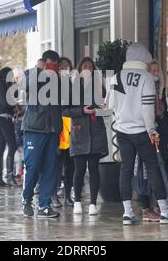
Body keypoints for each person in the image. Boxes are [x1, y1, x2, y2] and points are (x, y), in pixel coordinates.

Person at [107, 42, 168, 225]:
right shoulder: (146, 78)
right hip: (143, 132)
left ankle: (127, 213)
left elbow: (109, 105)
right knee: (153, 168)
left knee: (126, 169)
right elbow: (147, 108)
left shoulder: (117, 77)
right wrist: (152, 130)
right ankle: (165, 212)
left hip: (122, 131)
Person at [62, 57, 108, 216]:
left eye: (90, 66)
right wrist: (82, 111)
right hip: (79, 131)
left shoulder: (99, 87)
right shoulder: (72, 88)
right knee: (79, 169)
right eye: (85, 66)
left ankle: (93, 203)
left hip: (96, 132)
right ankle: (77, 202)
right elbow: (65, 110)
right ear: (80, 69)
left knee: (94, 168)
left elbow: (105, 106)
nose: (87, 69)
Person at [21, 50, 62, 218]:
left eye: (55, 65)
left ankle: (45, 205)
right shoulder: (31, 74)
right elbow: (26, 87)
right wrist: (38, 70)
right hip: (34, 129)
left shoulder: (58, 80)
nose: (53, 68)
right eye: (50, 64)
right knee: (33, 166)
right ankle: (27, 200)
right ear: (43, 62)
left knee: (50, 168)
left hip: (52, 129)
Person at [134, 60, 168, 222]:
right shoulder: (143, 92)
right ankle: (146, 207)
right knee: (146, 171)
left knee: (164, 167)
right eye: (153, 71)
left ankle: (160, 204)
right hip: (147, 136)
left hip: (161, 137)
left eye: (158, 71)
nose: (156, 74)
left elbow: (165, 114)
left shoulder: (162, 93)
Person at [52, 57, 75, 208]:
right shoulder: (52, 85)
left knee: (70, 163)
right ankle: (53, 195)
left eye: (67, 67)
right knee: (56, 163)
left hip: (70, 127)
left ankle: (67, 195)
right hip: (58, 127)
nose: (64, 70)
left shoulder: (72, 85)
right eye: (62, 67)